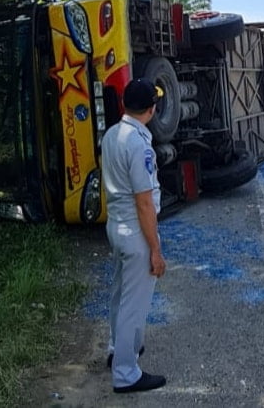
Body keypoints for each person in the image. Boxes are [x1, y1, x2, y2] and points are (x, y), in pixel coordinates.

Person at [101, 78, 168, 393]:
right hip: (136, 232)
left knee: (118, 295)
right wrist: (155, 250)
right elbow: (144, 202)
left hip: (117, 226)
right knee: (133, 305)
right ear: (152, 109)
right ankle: (126, 373)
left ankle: (118, 349)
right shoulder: (139, 143)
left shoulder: (113, 134)